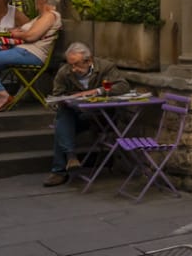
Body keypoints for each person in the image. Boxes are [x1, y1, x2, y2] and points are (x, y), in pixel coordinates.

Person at [42, 42, 128, 186]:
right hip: (77, 116)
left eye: (76, 65)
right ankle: (70, 157)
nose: (73, 69)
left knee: (61, 126)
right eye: (71, 65)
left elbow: (123, 86)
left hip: (102, 117)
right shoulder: (64, 72)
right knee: (63, 116)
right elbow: (57, 96)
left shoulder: (106, 67)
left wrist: (96, 91)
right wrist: (69, 101)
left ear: (89, 61)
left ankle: (60, 170)